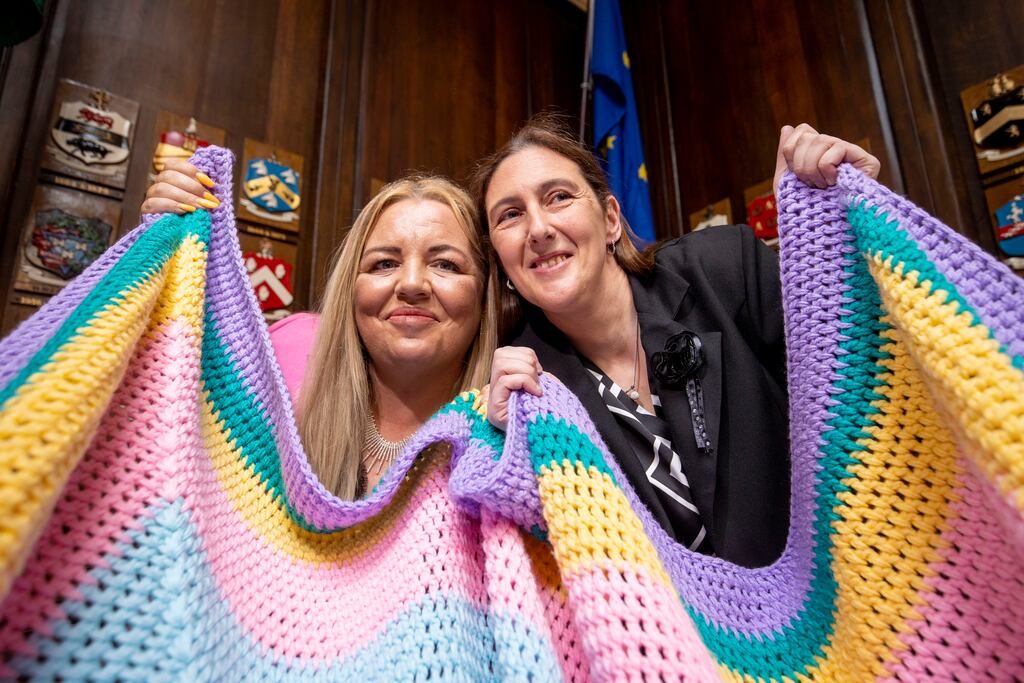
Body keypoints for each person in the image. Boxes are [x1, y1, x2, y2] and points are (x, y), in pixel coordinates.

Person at [474, 117, 880, 567]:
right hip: (669, 633)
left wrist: (844, 232)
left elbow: (858, 383)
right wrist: (503, 445)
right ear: (500, 260)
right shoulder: (527, 389)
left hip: (834, 588)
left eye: (559, 197)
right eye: (510, 215)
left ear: (610, 220)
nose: (538, 228)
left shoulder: (725, 270)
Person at [143, 166, 499, 499]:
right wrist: (158, 258)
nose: (410, 284)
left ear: (484, 294)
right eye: (384, 264)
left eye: (445, 264)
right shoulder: (280, 373)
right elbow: (167, 427)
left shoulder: (514, 437)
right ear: (351, 288)